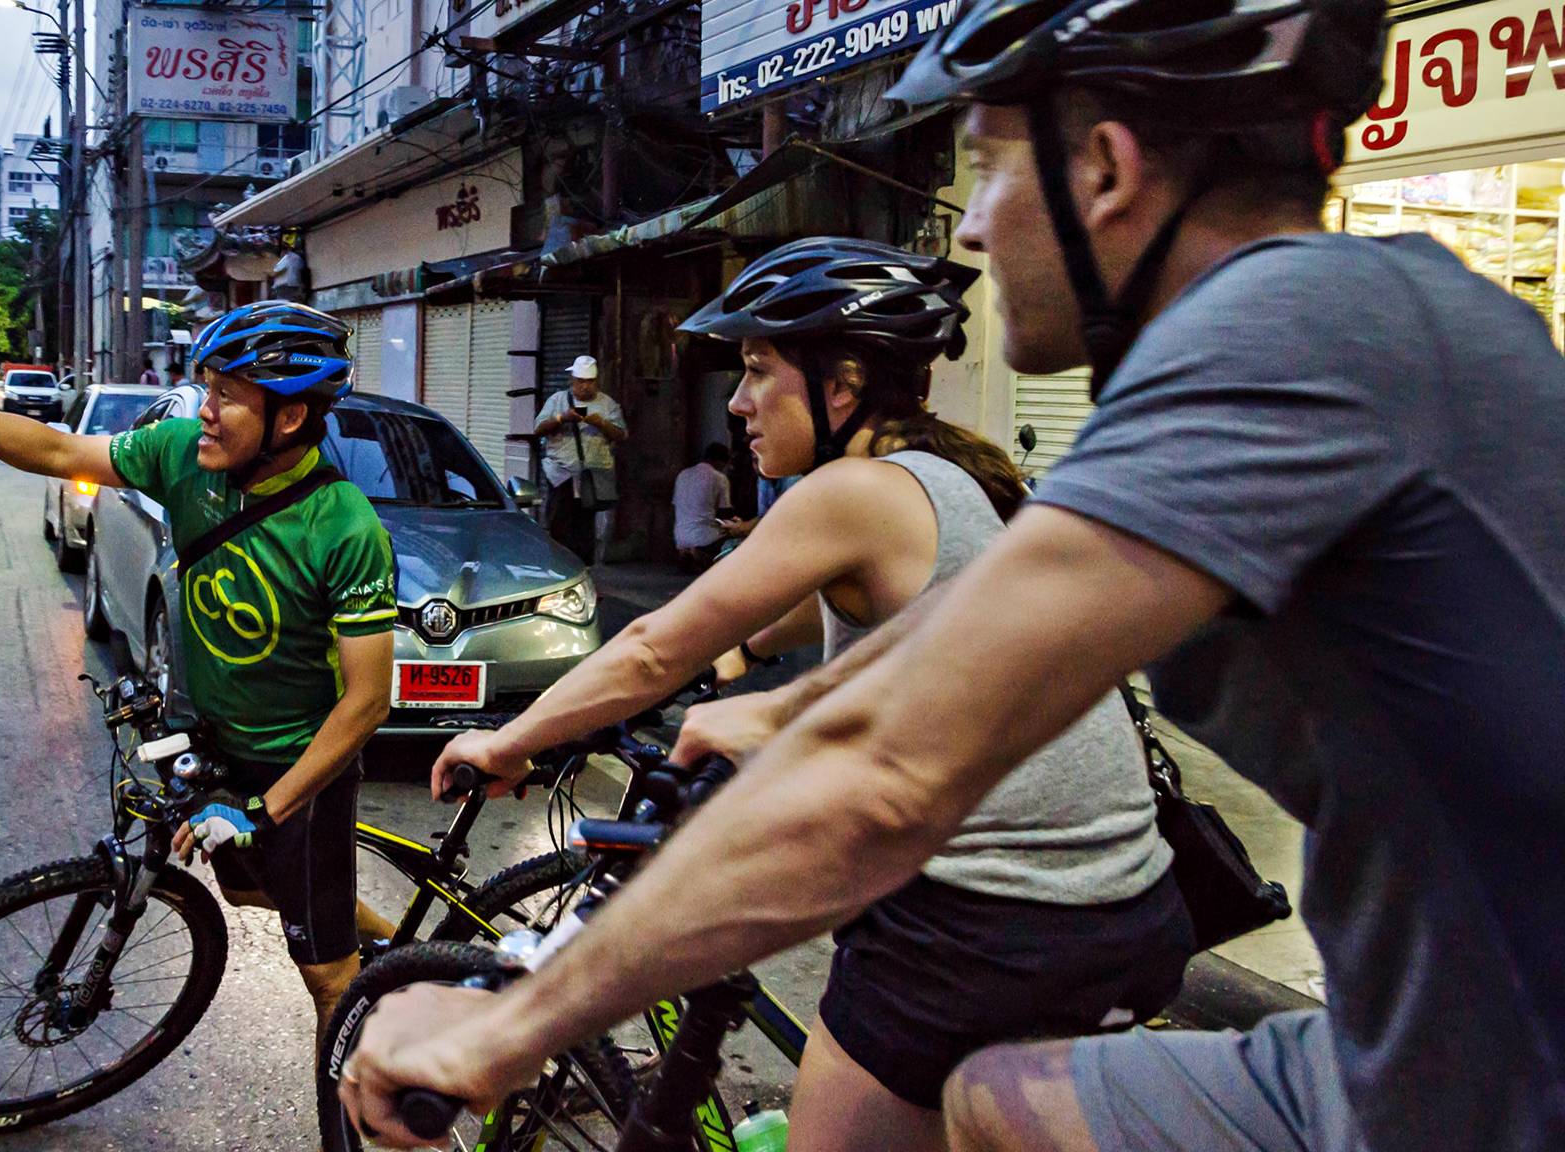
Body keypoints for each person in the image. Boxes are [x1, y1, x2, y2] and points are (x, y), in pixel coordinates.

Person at [338, 3, 1565, 1152]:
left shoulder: (1289, 336)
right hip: (1396, 1062)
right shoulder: (1374, 316)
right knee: (989, 1107)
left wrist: (507, 1021)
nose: (969, 228)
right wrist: (769, 711)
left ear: (1104, 169)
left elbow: (884, 770)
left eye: (985, 169)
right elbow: (958, 653)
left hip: (1488, 1104)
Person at [419, 239, 1190, 1152]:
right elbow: (791, 619)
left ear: (843, 382)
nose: (738, 402)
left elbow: (653, 645)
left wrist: (512, 741)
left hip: (987, 919)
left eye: (757, 371)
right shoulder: (953, 480)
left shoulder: (849, 493)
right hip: (1125, 900)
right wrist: (738, 656)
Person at [0, 301, 400, 1041]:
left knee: (330, 982)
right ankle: (396, 944)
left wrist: (266, 810)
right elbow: (57, 454)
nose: (206, 411)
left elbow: (367, 704)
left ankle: (381, 1108)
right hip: (220, 756)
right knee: (257, 887)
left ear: (289, 419)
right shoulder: (182, 459)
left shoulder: (346, 528)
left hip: (302, 776)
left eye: (227, 396)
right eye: (205, 388)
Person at [534, 354, 627, 565]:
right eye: (580, 382)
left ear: (596, 382)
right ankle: (558, 569)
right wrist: (562, 418)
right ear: (572, 381)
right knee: (559, 524)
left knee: (585, 528)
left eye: (590, 382)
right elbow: (538, 429)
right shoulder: (557, 400)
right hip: (562, 475)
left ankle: (584, 573)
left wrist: (601, 423)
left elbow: (622, 435)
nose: (585, 387)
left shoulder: (607, 404)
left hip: (592, 477)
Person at [671, 442, 735, 571]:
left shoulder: (683, 474)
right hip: (705, 539)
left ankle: (687, 553)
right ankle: (701, 554)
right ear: (720, 462)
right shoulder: (720, 478)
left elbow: (674, 507)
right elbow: (725, 513)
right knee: (735, 541)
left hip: (680, 537)